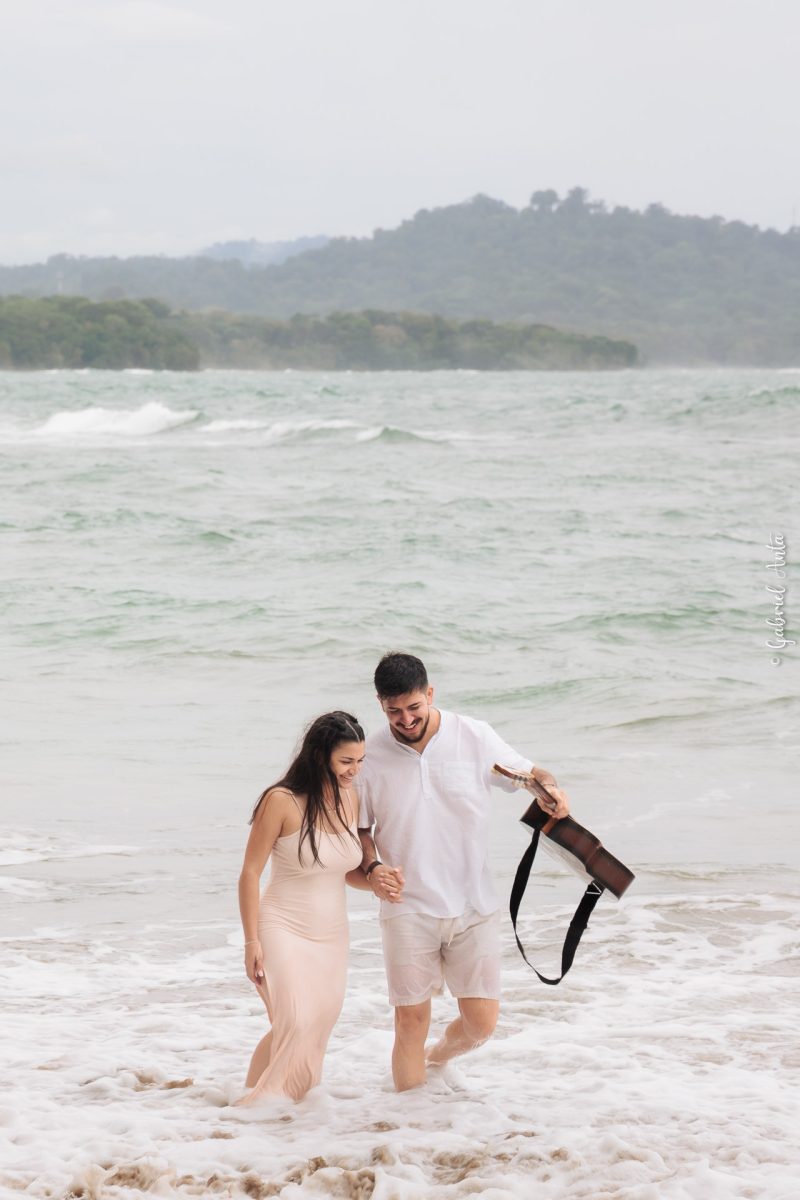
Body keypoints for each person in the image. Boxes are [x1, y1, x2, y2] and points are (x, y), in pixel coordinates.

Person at [356, 652, 570, 1091]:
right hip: (407, 906)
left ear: (430, 694)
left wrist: (550, 791)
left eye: (414, 707)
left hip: (474, 904)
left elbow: (532, 774)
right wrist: (373, 866)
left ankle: (437, 1060)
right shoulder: (369, 757)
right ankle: (407, 1132)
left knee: (481, 1023)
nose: (406, 719)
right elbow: (359, 829)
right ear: (380, 704)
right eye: (394, 711)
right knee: (410, 1023)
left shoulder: (475, 737)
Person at [236, 710, 403, 1103]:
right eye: (346, 761)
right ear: (318, 755)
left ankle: (267, 1103)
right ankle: (254, 1106)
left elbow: (339, 869)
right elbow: (249, 874)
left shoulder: (349, 796)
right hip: (282, 926)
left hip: (331, 934)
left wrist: (376, 881)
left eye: (360, 761)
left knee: (315, 1023)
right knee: (293, 1019)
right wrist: (251, 942)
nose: (354, 770)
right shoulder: (280, 801)